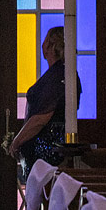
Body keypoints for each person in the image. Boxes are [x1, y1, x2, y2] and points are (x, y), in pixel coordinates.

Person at [8, 26, 81, 180]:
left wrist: (17, 141)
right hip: (47, 149)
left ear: (49, 46)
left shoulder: (58, 77)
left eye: (45, 40)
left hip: (49, 151)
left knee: (45, 195)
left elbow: (41, 118)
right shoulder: (61, 74)